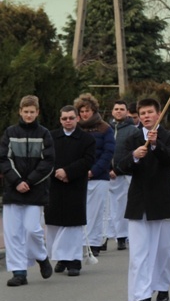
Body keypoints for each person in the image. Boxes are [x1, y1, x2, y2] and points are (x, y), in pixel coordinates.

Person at [117, 98, 170, 301]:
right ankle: (141, 294)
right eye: (142, 113)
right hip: (139, 201)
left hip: (163, 201)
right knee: (139, 252)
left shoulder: (169, 137)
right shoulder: (132, 137)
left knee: (164, 249)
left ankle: (162, 285)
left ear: (158, 113)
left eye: (149, 112)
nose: (146, 116)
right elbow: (122, 165)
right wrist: (134, 156)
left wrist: (155, 145)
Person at [0, 95, 54, 287]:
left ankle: (41, 256)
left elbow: (47, 162)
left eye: (32, 112)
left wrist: (29, 181)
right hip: (13, 190)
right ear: (20, 112)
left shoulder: (44, 134)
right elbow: (4, 159)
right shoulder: (10, 132)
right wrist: (16, 182)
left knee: (32, 230)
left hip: (35, 190)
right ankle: (19, 272)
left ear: (37, 112)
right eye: (26, 112)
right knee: (13, 233)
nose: (29, 115)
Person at [45, 105, 95, 277]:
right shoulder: (51, 137)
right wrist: (57, 173)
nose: (68, 121)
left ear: (77, 119)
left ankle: (74, 261)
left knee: (72, 225)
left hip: (75, 185)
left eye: (71, 118)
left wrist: (68, 172)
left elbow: (88, 160)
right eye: (64, 118)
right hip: (55, 185)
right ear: (60, 120)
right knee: (55, 224)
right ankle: (61, 258)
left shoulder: (87, 139)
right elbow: (45, 159)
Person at [74, 93, 115, 257]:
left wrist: (94, 171)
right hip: (78, 176)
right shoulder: (75, 128)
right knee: (80, 211)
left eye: (87, 110)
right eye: (82, 111)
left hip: (99, 176)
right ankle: (80, 242)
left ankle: (95, 243)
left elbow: (108, 152)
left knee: (97, 212)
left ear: (94, 110)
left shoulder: (105, 128)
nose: (84, 113)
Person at [106, 99, 139, 251]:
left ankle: (122, 236)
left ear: (127, 112)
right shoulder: (106, 129)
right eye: (116, 109)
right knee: (107, 209)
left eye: (122, 109)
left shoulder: (133, 130)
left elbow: (133, 154)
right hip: (106, 175)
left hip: (124, 174)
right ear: (112, 112)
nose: (118, 111)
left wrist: (118, 169)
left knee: (121, 208)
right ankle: (104, 237)